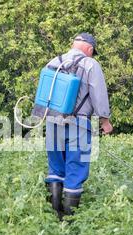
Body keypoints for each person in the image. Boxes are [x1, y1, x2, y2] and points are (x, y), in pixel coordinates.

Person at [36, 33, 113, 218]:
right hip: (79, 123)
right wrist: (105, 121)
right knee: (76, 167)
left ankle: (54, 215)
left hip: (53, 122)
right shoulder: (90, 64)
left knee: (55, 168)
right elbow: (99, 94)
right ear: (90, 49)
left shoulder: (54, 61)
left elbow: (44, 93)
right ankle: (69, 220)